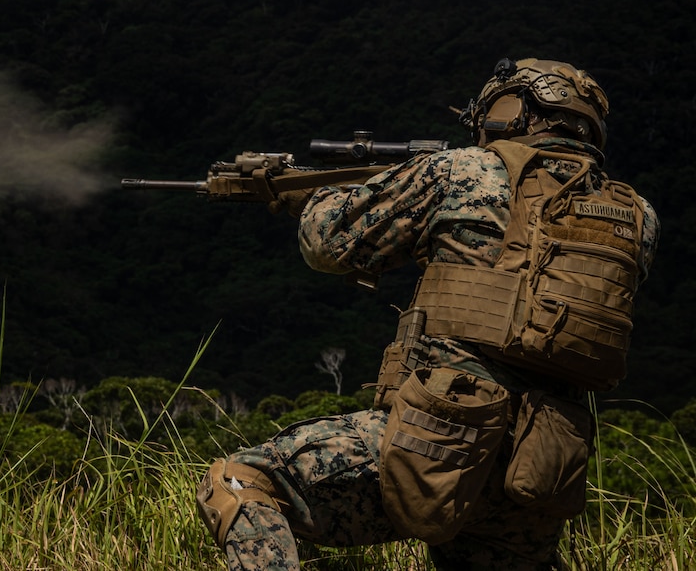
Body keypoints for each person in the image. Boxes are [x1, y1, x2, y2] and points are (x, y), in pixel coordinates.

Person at [196, 58, 660, 570]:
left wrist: (313, 195)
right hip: (542, 466)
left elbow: (326, 243)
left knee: (244, 481)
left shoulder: (460, 170)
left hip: (442, 435)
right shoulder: (638, 219)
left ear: (513, 112)